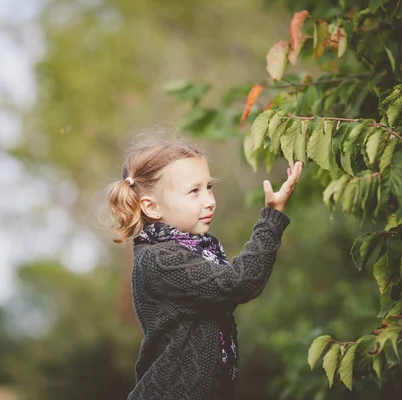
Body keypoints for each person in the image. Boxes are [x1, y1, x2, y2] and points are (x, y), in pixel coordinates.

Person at [106, 133, 303, 400]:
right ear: (151, 207)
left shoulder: (192, 250)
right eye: (194, 191)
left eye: (208, 187)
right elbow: (240, 282)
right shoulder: (161, 259)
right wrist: (272, 219)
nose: (209, 200)